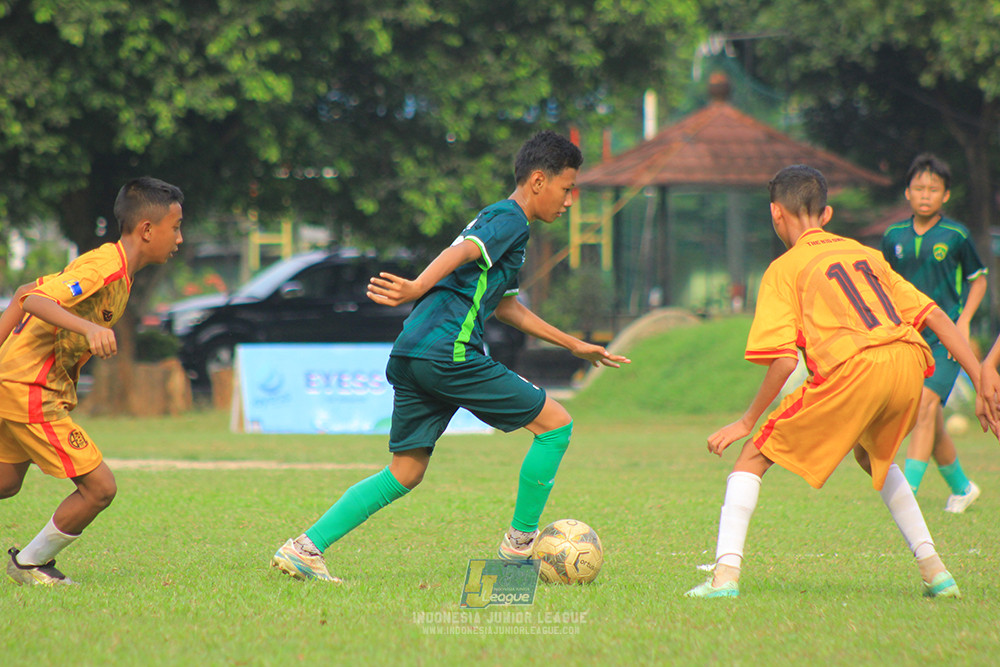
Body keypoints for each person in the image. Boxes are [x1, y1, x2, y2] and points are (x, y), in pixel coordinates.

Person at [271, 130, 630, 582]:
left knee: (405, 471)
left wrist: (572, 343)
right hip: (448, 352)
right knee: (556, 426)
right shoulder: (511, 220)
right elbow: (460, 252)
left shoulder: (502, 225)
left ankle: (305, 548)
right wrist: (417, 285)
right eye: (567, 188)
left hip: (413, 352)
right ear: (538, 181)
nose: (570, 201)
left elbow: (505, 306)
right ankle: (519, 548)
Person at [685, 165, 984, 600]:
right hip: (907, 361)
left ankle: (724, 580)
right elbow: (934, 314)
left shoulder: (783, 269)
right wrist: (980, 377)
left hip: (854, 367)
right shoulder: (865, 253)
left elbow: (785, 360)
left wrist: (745, 420)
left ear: (775, 213)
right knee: (872, 455)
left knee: (751, 457)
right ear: (825, 214)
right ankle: (937, 573)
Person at [1, 177, 184, 585]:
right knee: (99, 487)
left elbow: (25, 290)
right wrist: (87, 331)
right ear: (147, 230)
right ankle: (30, 564)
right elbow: (34, 300)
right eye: (175, 227)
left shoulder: (119, 271)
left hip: (19, 384)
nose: (180, 238)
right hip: (29, 389)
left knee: (7, 482)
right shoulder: (105, 267)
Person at [881, 153, 986, 513]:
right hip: (909, 339)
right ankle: (962, 486)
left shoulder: (957, 235)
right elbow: (884, 286)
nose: (926, 194)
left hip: (946, 340)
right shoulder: (893, 236)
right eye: (919, 188)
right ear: (907, 193)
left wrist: (965, 321)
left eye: (934, 188)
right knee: (931, 417)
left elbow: (978, 280)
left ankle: (905, 491)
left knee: (925, 405)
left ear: (946, 195)